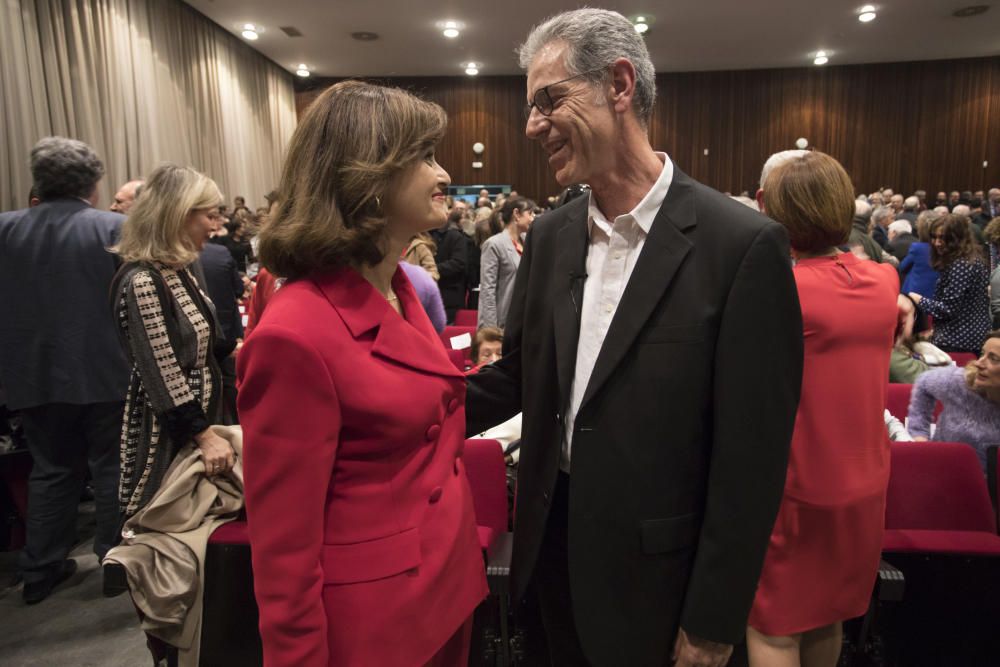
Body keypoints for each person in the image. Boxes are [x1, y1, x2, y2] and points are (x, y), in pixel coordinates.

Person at [466, 10, 803, 667]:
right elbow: (516, 379)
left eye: (548, 99)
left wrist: (713, 619)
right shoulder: (554, 236)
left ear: (619, 86)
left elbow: (751, 463)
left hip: (662, 590)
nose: (532, 125)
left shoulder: (741, 246)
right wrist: (392, 404)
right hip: (551, 561)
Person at [236, 80, 487, 667]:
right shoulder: (294, 333)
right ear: (367, 179)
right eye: (423, 157)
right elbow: (283, 550)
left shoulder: (402, 289)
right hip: (378, 624)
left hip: (443, 584)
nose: (443, 172)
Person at [748, 151, 898, 667]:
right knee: (825, 615)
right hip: (865, 483)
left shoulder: (781, 290)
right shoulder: (885, 283)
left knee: (773, 624)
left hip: (797, 484)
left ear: (768, 206)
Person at [0, 137, 129, 603]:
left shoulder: (5, 230)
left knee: (51, 469)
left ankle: (39, 570)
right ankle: (118, 563)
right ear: (94, 184)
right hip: (108, 370)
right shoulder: (117, 228)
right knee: (114, 465)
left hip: (32, 374)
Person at [109, 164, 235, 536]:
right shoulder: (143, 280)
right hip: (171, 436)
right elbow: (162, 372)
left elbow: (205, 342)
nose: (214, 226)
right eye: (208, 215)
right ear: (179, 214)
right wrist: (205, 436)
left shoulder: (177, 269)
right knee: (170, 530)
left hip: (198, 423)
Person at [908, 331, 1000, 470]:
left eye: (993, 358)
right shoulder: (960, 381)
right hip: (944, 474)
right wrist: (919, 434)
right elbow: (923, 383)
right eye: (982, 354)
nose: (979, 363)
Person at [910, 214, 991, 354]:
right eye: (934, 237)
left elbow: (948, 309)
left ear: (957, 238)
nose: (937, 243)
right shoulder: (970, 259)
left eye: (943, 238)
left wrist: (918, 300)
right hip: (968, 338)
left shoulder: (961, 265)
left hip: (959, 342)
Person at [478, 197, 536, 328]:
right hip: (502, 323)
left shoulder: (528, 241)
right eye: (530, 213)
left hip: (524, 321)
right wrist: (491, 328)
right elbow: (488, 290)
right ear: (516, 214)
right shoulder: (494, 244)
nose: (533, 218)